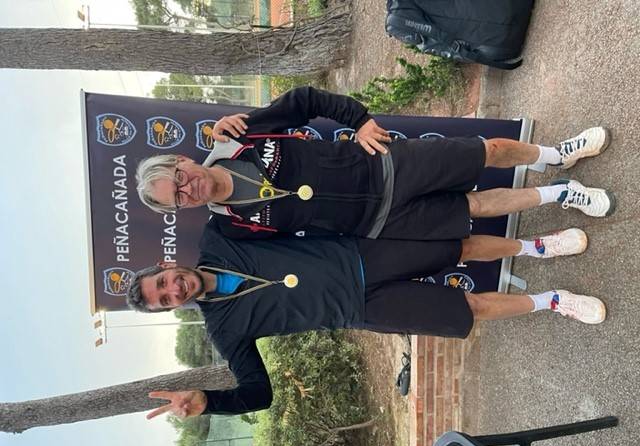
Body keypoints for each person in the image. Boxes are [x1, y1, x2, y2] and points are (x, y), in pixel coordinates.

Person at [126, 220, 604, 419]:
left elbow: (249, 186)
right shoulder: (225, 331)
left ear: (165, 265)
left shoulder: (218, 235)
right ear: (171, 309)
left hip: (360, 253)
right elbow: (259, 394)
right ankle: (552, 300)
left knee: (458, 248)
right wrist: (208, 402)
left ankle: (537, 246)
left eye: (163, 282)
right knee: (469, 307)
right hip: (361, 309)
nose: (174, 289)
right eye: (165, 299)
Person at [135, 86, 614, 240]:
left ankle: (557, 155)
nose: (187, 188)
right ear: (181, 209)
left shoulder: (240, 134)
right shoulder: (233, 227)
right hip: (380, 222)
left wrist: (360, 120)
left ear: (182, 159)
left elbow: (304, 100)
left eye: (178, 178)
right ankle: (562, 194)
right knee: (475, 207)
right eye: (176, 198)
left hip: (384, 164)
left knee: (484, 151)